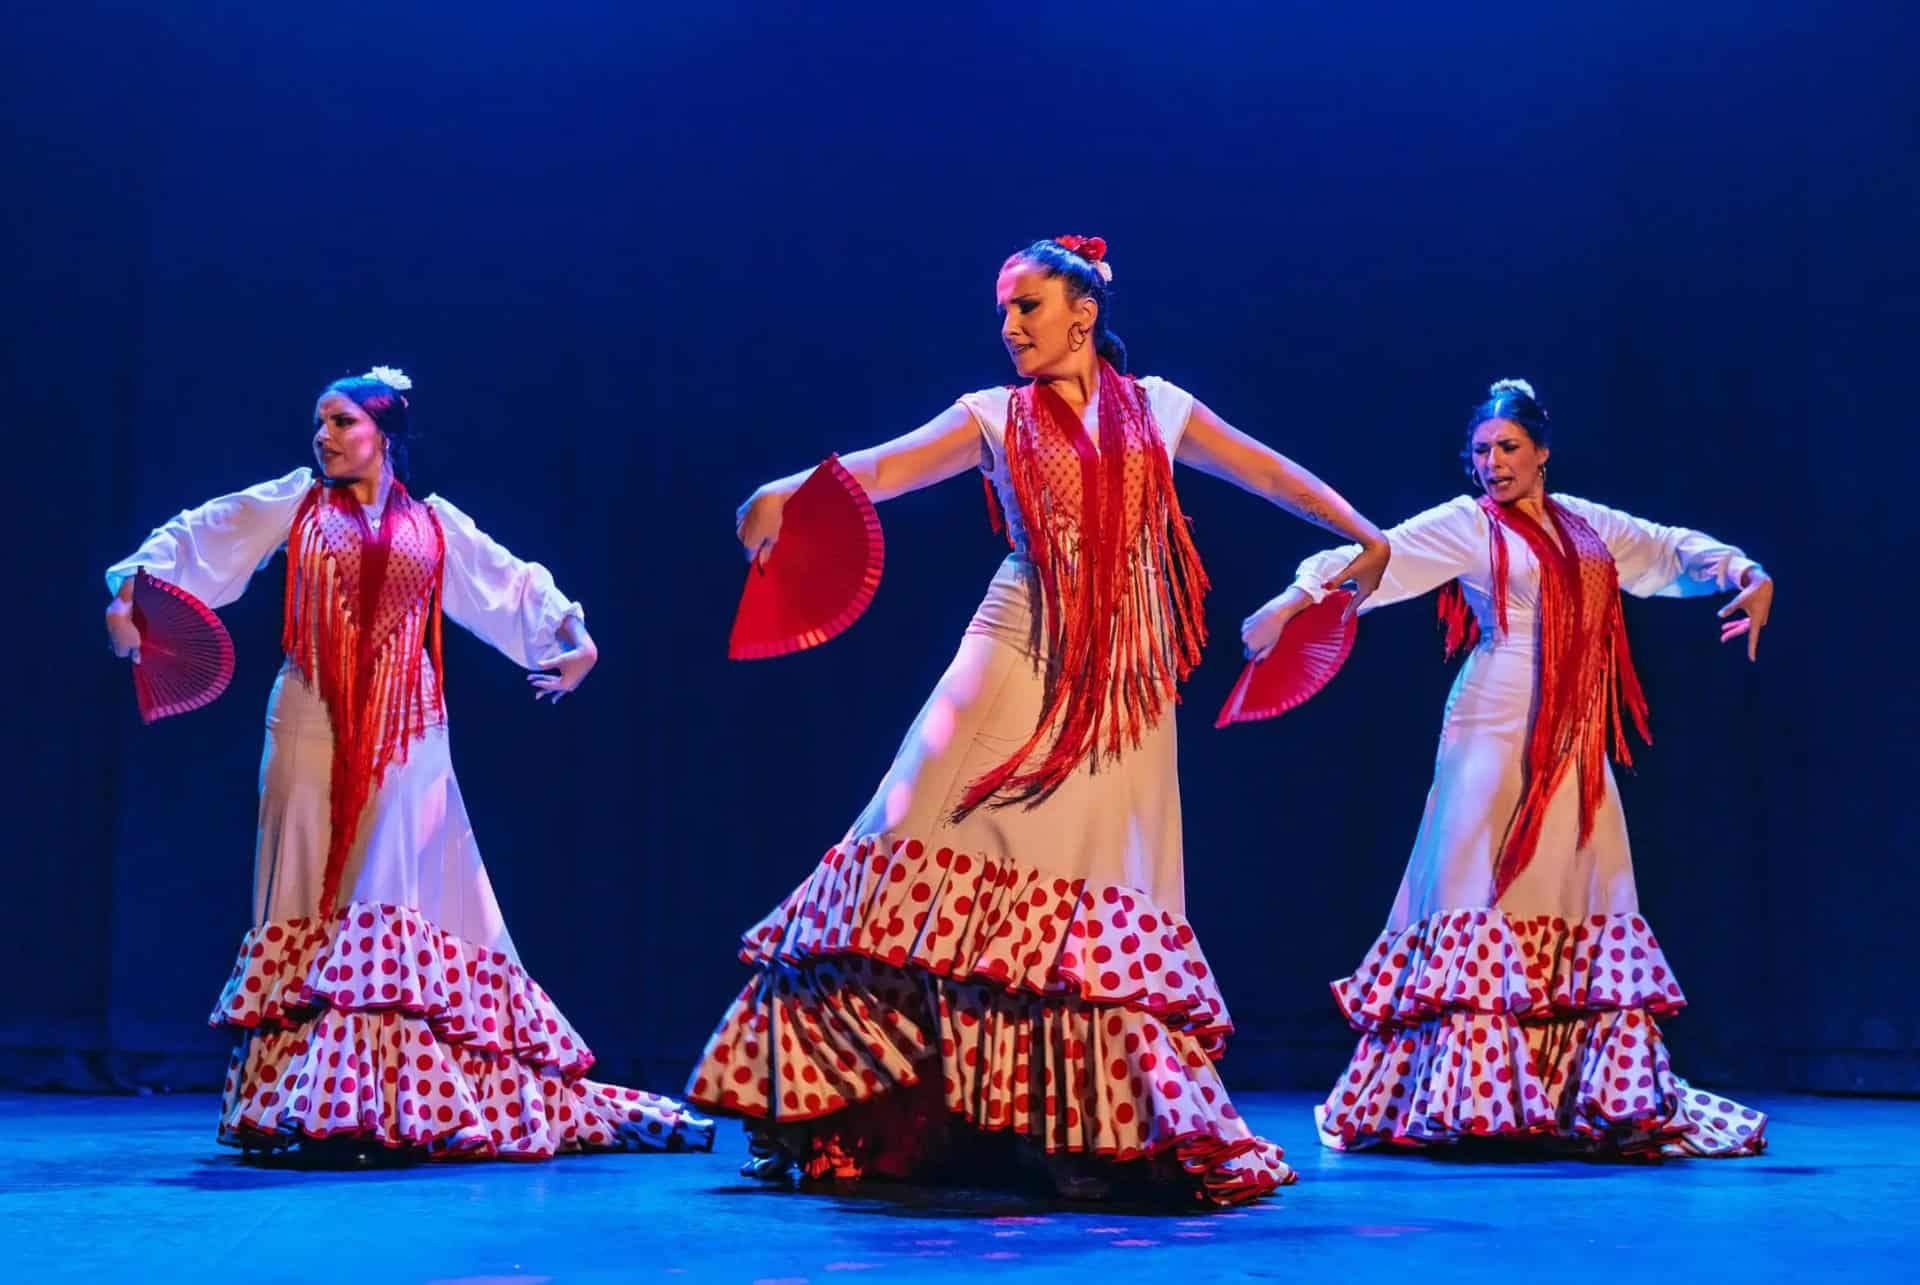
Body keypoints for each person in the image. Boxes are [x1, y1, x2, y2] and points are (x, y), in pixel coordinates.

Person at [687, 237, 1391, 1203]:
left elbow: (1268, 474)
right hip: (1019, 633)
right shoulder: (990, 415)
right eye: (1004, 311)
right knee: (907, 820)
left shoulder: (1162, 407)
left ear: (1083, 312)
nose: (1010, 326)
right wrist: (783, 492)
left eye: (1027, 306)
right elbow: (882, 471)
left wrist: (1361, 534)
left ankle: (1080, 1121)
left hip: (1129, 660)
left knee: (1100, 870)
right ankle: (834, 1094)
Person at [104, 366, 713, 1161]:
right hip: (307, 720)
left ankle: (379, 1104)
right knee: (301, 887)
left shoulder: (434, 526)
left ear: (384, 433)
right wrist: (131, 595)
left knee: (387, 888)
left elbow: (508, 580)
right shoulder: (295, 502)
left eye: (341, 422)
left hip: (410, 726)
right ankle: (302, 1100)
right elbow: (203, 533)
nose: (323, 436)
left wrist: (572, 636)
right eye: (319, 422)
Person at [1245, 377, 1772, 1157]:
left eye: (1509, 448)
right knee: (1473, 886)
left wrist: (1741, 572)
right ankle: (1464, 1096)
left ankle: (1574, 1095)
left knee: (1581, 884)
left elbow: (1667, 550)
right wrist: (1292, 600)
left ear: (1542, 453)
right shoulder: (1467, 525)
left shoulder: (1589, 527)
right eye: (1482, 450)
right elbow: (1376, 552)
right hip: (1491, 724)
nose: (1493, 462)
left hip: (1575, 735)